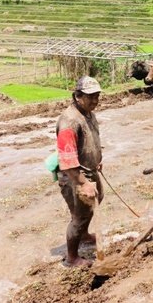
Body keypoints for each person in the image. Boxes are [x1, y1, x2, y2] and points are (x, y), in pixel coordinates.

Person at [56, 76, 104, 267]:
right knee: (79, 216)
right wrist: (83, 183)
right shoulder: (69, 121)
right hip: (75, 177)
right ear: (77, 96)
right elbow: (67, 163)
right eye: (90, 97)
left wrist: (97, 160)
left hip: (89, 171)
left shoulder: (88, 113)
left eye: (97, 96)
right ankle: (72, 258)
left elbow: (90, 140)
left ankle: (84, 234)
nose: (95, 101)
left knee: (95, 202)